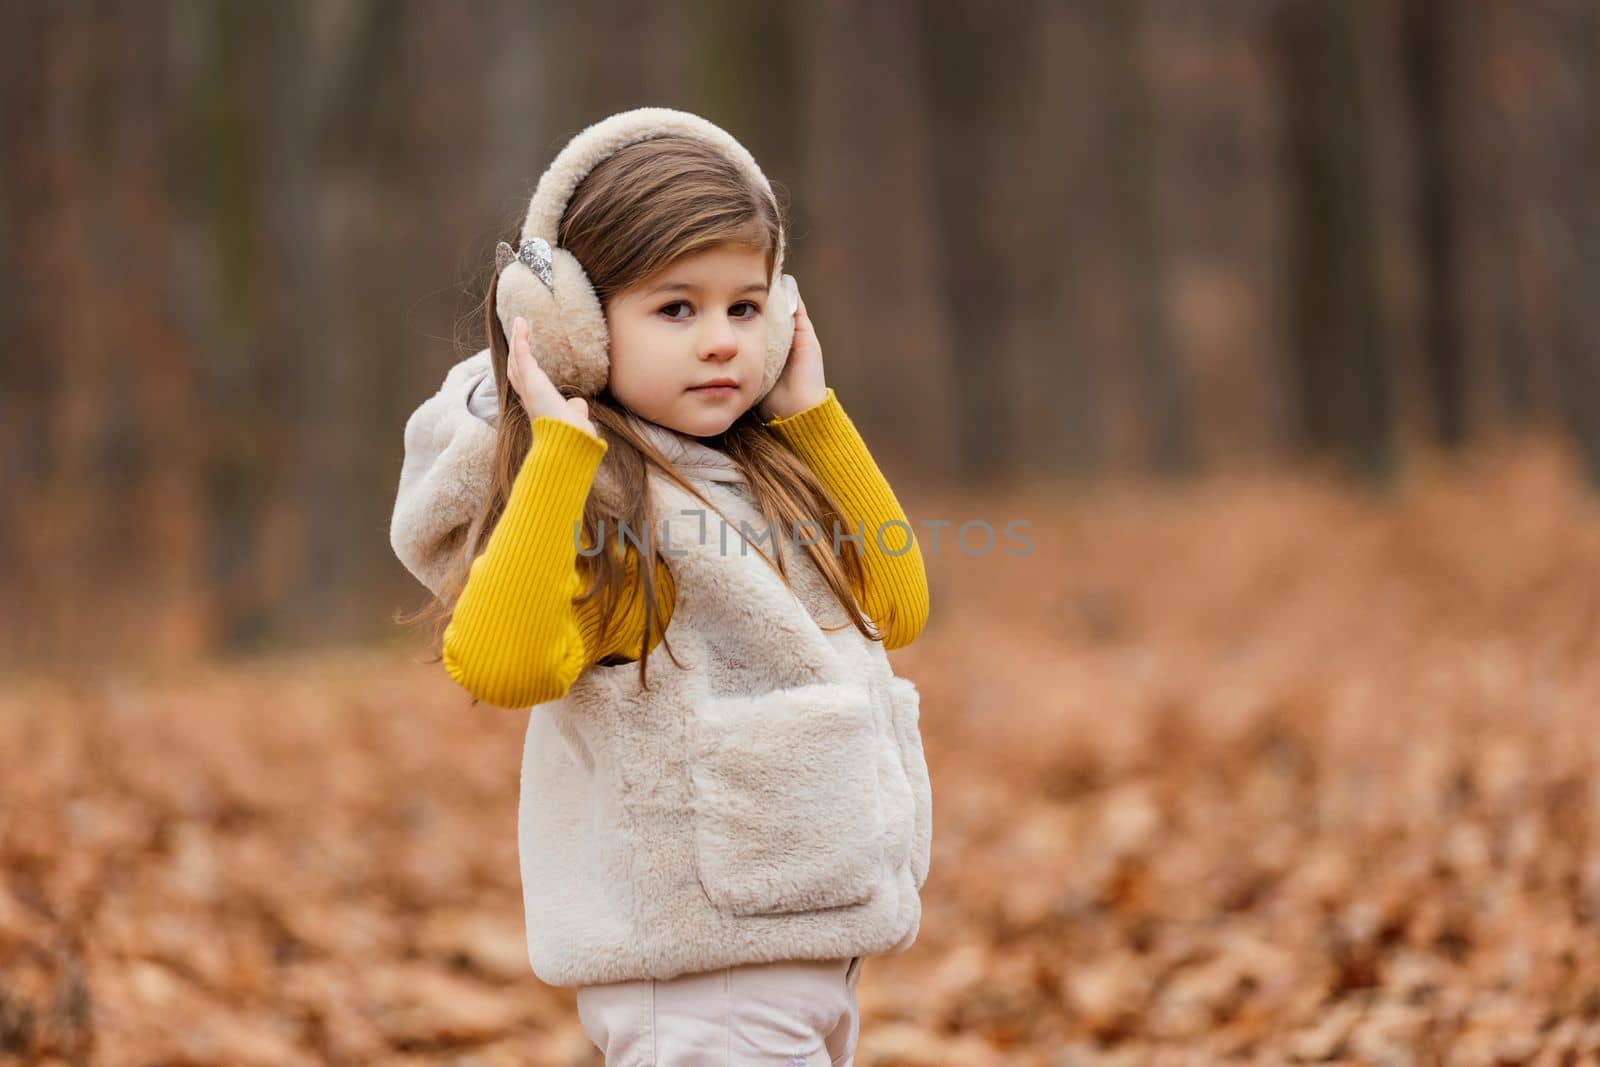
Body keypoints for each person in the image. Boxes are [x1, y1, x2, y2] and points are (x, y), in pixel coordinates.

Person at [389, 107, 931, 1067]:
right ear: (577, 332)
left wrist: (812, 413)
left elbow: (894, 602)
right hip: (703, 975)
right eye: (676, 309)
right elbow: (500, 663)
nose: (721, 340)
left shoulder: (749, 461)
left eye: (745, 306)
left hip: (800, 952)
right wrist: (558, 451)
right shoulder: (600, 496)